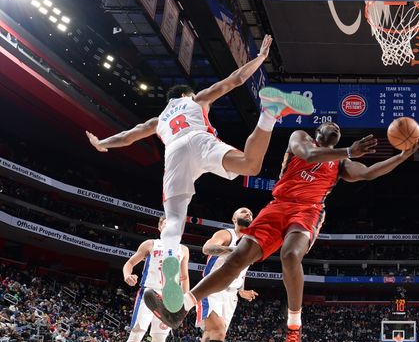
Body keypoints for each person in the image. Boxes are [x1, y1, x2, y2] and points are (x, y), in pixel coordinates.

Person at [145, 123, 419, 342]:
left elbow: (369, 172)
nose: (336, 128)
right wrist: (349, 150)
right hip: (278, 206)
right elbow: (309, 154)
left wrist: (402, 155)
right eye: (330, 125)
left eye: (340, 130)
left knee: (290, 255)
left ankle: (293, 327)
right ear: (318, 131)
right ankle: (181, 307)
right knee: (237, 259)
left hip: (308, 210)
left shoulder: (341, 164)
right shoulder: (300, 138)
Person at [86, 35, 313, 313]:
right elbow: (234, 80)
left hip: (174, 155)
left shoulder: (158, 121)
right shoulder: (197, 100)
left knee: (173, 224)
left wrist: (102, 143)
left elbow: (128, 136)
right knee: (250, 165)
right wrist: (260, 59)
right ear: (186, 96)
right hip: (198, 140)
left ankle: (165, 282)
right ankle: (269, 113)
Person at [160, 207, 258, 342]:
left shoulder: (250, 243)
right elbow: (207, 248)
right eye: (243, 212)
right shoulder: (227, 234)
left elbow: (241, 271)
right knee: (219, 331)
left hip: (230, 297)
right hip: (211, 290)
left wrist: (242, 290)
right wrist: (233, 251)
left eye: (250, 213)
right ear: (234, 218)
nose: (248, 214)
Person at [105, 218, 190, 342]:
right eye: (166, 223)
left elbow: (184, 277)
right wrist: (128, 275)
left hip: (169, 299)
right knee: (135, 337)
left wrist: (185, 301)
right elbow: (129, 263)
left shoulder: (183, 249)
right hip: (148, 293)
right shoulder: (151, 244)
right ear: (160, 227)